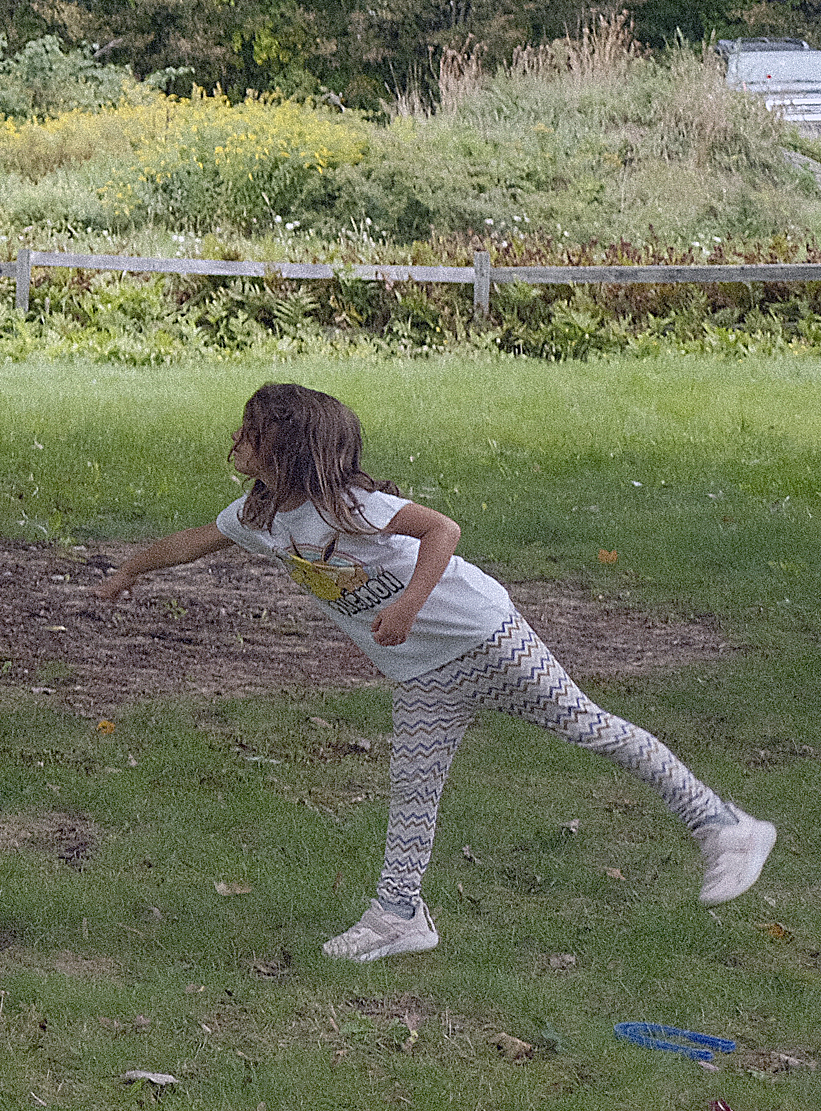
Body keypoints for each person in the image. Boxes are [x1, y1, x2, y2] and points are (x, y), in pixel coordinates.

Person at [94, 380, 777, 962]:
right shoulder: (263, 517)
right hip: (422, 674)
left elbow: (442, 530)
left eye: (250, 429)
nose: (237, 438)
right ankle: (400, 916)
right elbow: (194, 541)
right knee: (412, 789)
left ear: (288, 449)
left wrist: (411, 605)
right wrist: (130, 570)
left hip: (486, 639)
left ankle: (723, 825)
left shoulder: (355, 508)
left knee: (591, 728)